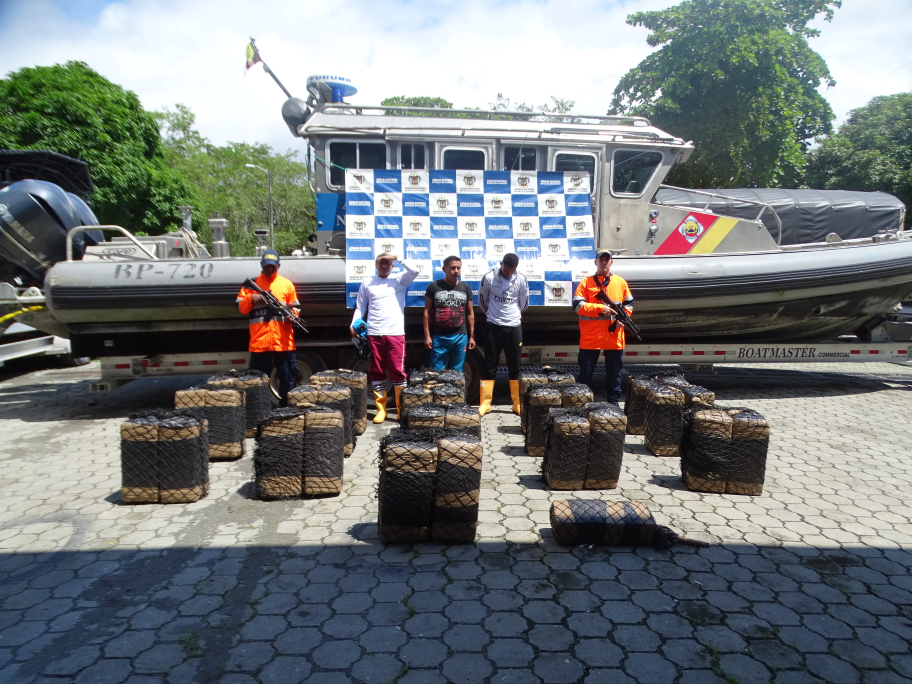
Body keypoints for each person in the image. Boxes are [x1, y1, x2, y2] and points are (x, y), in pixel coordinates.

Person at [350, 253, 419, 422]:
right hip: (374, 334)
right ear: (376, 264)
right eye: (381, 262)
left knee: (398, 372)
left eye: (388, 263)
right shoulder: (367, 282)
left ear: (393, 265)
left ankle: (401, 409)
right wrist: (353, 324)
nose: (385, 265)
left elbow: (415, 270)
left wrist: (397, 257)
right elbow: (360, 307)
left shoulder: (399, 280)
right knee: (377, 371)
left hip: (395, 333)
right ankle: (381, 410)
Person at [236, 250, 301, 407]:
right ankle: (259, 410)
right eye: (267, 266)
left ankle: (286, 409)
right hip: (260, 343)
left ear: (278, 266)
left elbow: (296, 308)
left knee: (286, 378)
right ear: (261, 265)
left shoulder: (287, 285)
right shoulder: (251, 285)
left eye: (273, 266)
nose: (270, 269)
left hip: (283, 342)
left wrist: (292, 316)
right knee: (257, 380)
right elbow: (241, 308)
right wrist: (250, 298)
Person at [573, 248, 634, 404]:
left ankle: (614, 408)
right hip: (591, 339)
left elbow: (629, 303)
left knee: (614, 376)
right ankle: (581, 406)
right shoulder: (586, 283)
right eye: (601, 259)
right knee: (585, 375)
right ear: (596, 262)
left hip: (614, 338)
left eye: (607, 260)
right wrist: (601, 309)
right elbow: (578, 306)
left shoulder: (620, 282)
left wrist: (624, 319)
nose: (604, 262)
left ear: (611, 263)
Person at [477, 252, 528, 415]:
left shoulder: (521, 278)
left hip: (513, 326)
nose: (509, 273)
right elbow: (482, 301)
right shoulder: (489, 277)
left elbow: (524, 303)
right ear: (502, 265)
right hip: (493, 325)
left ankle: (517, 403)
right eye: (507, 270)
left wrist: (513, 315)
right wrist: (492, 315)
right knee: (490, 365)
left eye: (512, 270)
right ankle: (485, 403)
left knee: (515, 365)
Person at [424, 255, 476, 372]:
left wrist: (472, 336)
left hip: (460, 336)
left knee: (456, 373)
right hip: (439, 336)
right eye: (453, 268)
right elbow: (427, 312)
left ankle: (456, 391)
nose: (456, 271)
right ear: (444, 269)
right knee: (436, 373)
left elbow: (470, 313)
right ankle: (438, 391)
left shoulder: (465, 287)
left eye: (458, 268)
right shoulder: (434, 287)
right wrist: (427, 336)